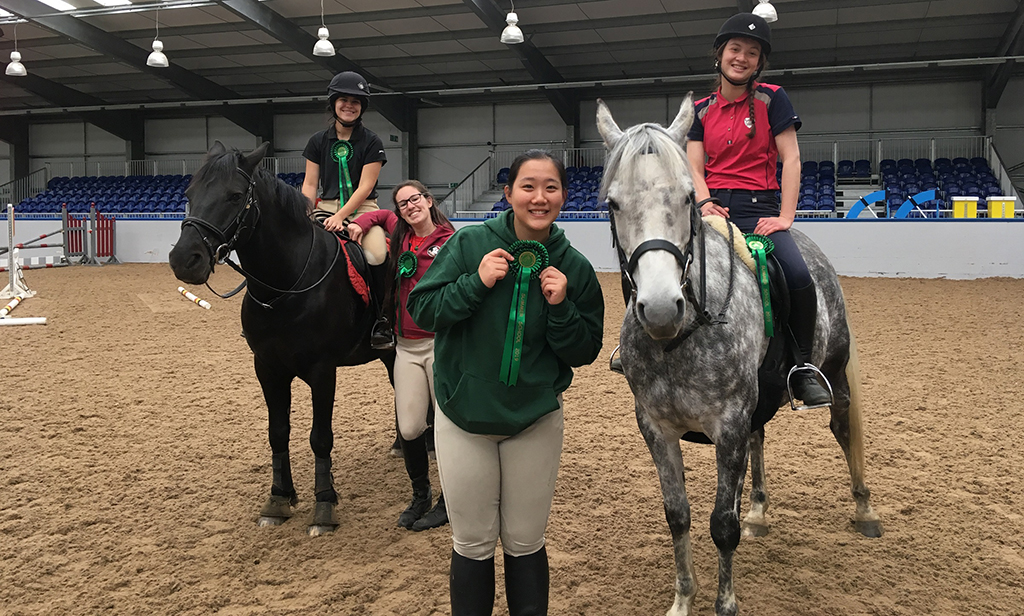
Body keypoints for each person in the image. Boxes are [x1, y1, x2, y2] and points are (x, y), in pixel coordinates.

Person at [407, 150, 604, 615]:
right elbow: (422, 309)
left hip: (534, 419)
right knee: (473, 543)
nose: (540, 197)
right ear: (509, 192)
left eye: (551, 187)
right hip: (463, 417)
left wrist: (560, 308)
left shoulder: (575, 267)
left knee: (524, 541)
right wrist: (474, 283)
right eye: (529, 186)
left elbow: (585, 351)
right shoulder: (470, 245)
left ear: (563, 196)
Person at [681, 12, 830, 406]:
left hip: (757, 209)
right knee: (660, 259)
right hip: (710, 210)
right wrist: (704, 202)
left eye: (751, 52)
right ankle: (637, 348)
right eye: (735, 49)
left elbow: (792, 159)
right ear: (719, 54)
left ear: (759, 63)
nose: (742, 58)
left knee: (798, 275)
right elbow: (694, 167)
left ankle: (802, 367)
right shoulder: (700, 109)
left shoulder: (772, 98)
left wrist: (786, 217)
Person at [347, 181, 454, 531]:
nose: (410, 206)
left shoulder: (451, 240)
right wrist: (361, 224)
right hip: (405, 345)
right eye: (403, 203)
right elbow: (377, 212)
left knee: (447, 429)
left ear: (428, 200)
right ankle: (420, 494)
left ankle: (448, 502)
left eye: (415, 199)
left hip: (441, 344)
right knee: (410, 427)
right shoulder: (398, 234)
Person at [301, 70, 393, 348]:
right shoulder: (317, 141)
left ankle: (383, 320)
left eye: (356, 101)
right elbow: (309, 183)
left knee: (377, 255)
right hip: (325, 206)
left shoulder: (371, 142)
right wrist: (305, 213)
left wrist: (341, 216)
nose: (349, 105)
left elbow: (365, 186)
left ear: (362, 106)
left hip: (363, 209)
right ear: (334, 103)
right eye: (344, 99)